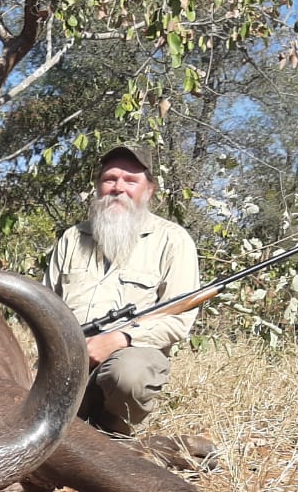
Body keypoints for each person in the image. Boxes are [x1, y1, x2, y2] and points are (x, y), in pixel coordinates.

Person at [43, 144, 201, 438]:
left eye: (131, 180)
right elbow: (45, 305)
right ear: (99, 186)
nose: (118, 188)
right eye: (110, 179)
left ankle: (114, 433)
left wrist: (119, 339)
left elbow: (179, 320)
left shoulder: (173, 241)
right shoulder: (72, 238)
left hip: (129, 358)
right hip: (68, 361)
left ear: (149, 190)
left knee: (128, 376)